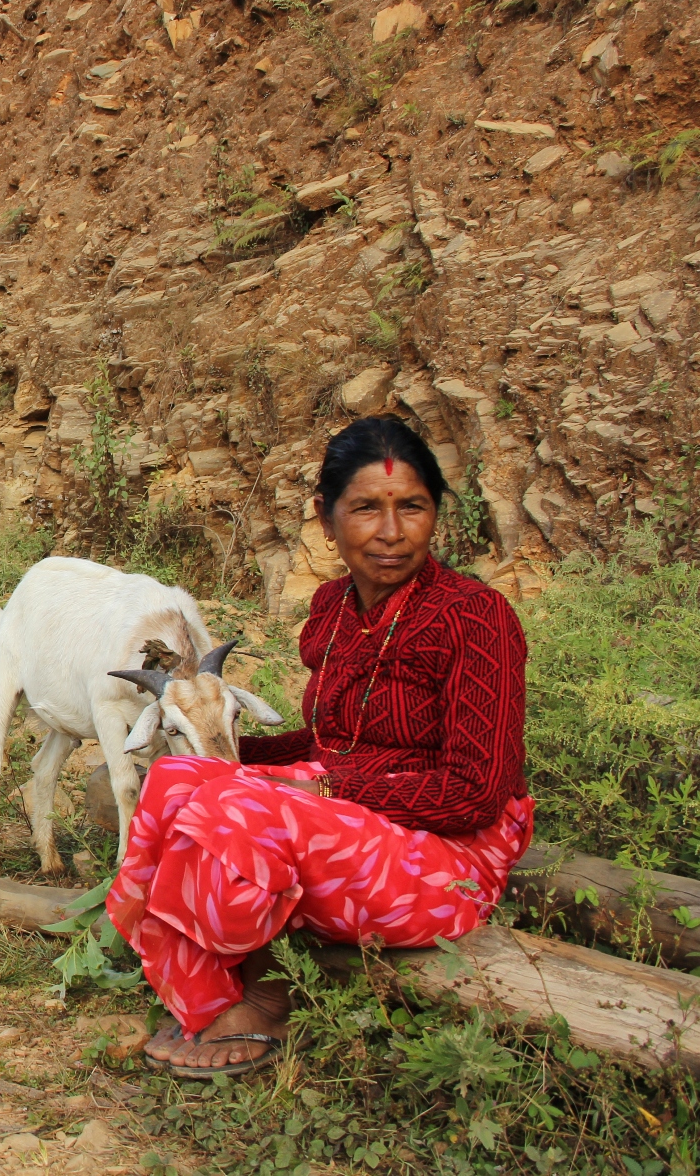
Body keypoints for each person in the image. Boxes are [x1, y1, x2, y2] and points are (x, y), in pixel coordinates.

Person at [110, 416, 533, 1078]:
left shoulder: (475, 619)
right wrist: (235, 759)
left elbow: (475, 795)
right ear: (325, 518)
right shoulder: (335, 608)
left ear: (435, 514)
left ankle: (269, 992)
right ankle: (206, 988)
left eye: (411, 507)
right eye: (365, 507)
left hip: (447, 856)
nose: (390, 532)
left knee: (243, 811)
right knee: (180, 782)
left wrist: (319, 790)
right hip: (356, 821)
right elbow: (335, 739)